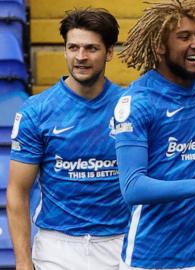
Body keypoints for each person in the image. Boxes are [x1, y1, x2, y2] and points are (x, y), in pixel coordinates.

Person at [114, 0, 195, 269]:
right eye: (184, 37)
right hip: (150, 258)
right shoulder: (138, 101)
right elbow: (132, 187)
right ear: (160, 46)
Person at [7, 8, 130, 270]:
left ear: (109, 52)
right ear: (65, 50)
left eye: (91, 49)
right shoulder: (36, 110)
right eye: (73, 47)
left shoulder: (131, 106)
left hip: (122, 243)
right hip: (57, 249)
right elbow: (17, 191)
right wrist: (22, 262)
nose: (80, 57)